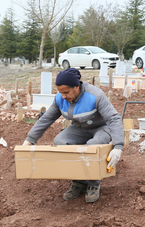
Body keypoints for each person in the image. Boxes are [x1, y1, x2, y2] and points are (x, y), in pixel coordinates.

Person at [22, 68, 124, 203]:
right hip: (79, 128)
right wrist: (29, 140)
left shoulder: (95, 95)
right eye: (60, 92)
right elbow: (46, 119)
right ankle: (79, 181)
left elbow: (113, 118)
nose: (63, 96)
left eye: (66, 92)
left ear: (77, 86)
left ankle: (93, 183)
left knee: (93, 146)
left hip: (101, 128)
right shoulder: (60, 99)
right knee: (60, 141)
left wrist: (118, 146)